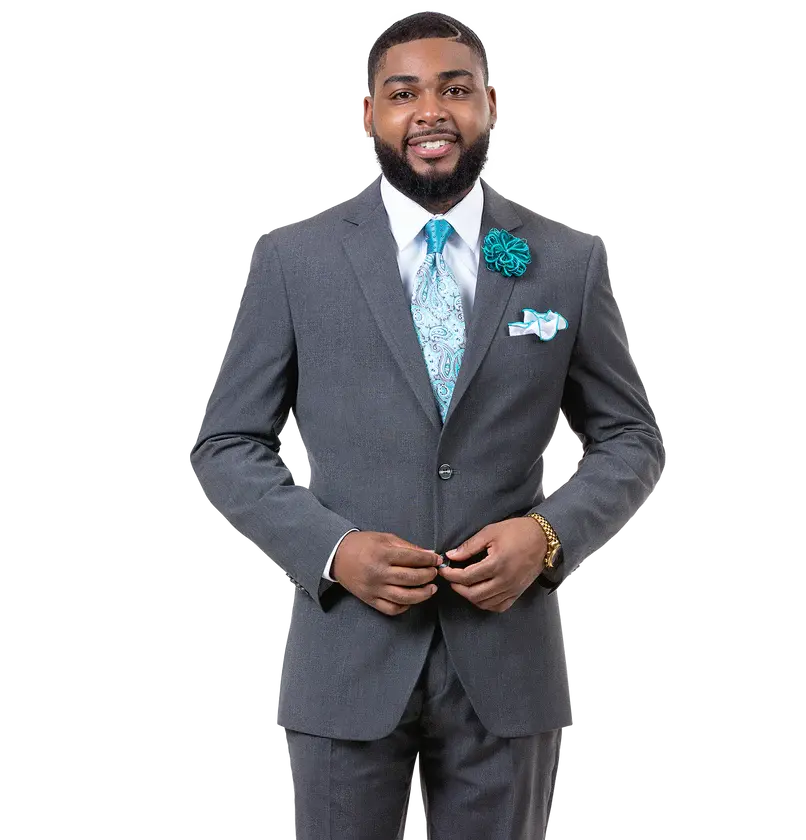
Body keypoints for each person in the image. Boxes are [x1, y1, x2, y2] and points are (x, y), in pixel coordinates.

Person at [189, 9, 665, 839]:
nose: (430, 111)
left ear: (492, 105)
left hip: (508, 664)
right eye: (403, 93)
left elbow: (633, 438)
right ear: (368, 114)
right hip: (346, 659)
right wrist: (333, 550)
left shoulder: (566, 260)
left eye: (455, 88)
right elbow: (225, 444)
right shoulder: (295, 260)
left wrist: (547, 537)